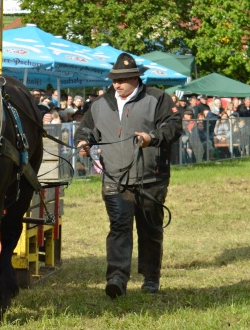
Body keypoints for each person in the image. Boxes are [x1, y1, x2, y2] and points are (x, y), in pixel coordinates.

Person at [74, 53, 182, 297]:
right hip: (115, 178)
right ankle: (117, 279)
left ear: (135, 78)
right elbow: (86, 129)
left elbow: (173, 127)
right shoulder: (101, 103)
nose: (116, 84)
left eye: (121, 80)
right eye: (114, 80)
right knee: (119, 228)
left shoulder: (158, 98)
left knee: (150, 229)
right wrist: (83, 142)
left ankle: (151, 278)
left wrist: (151, 137)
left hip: (151, 177)